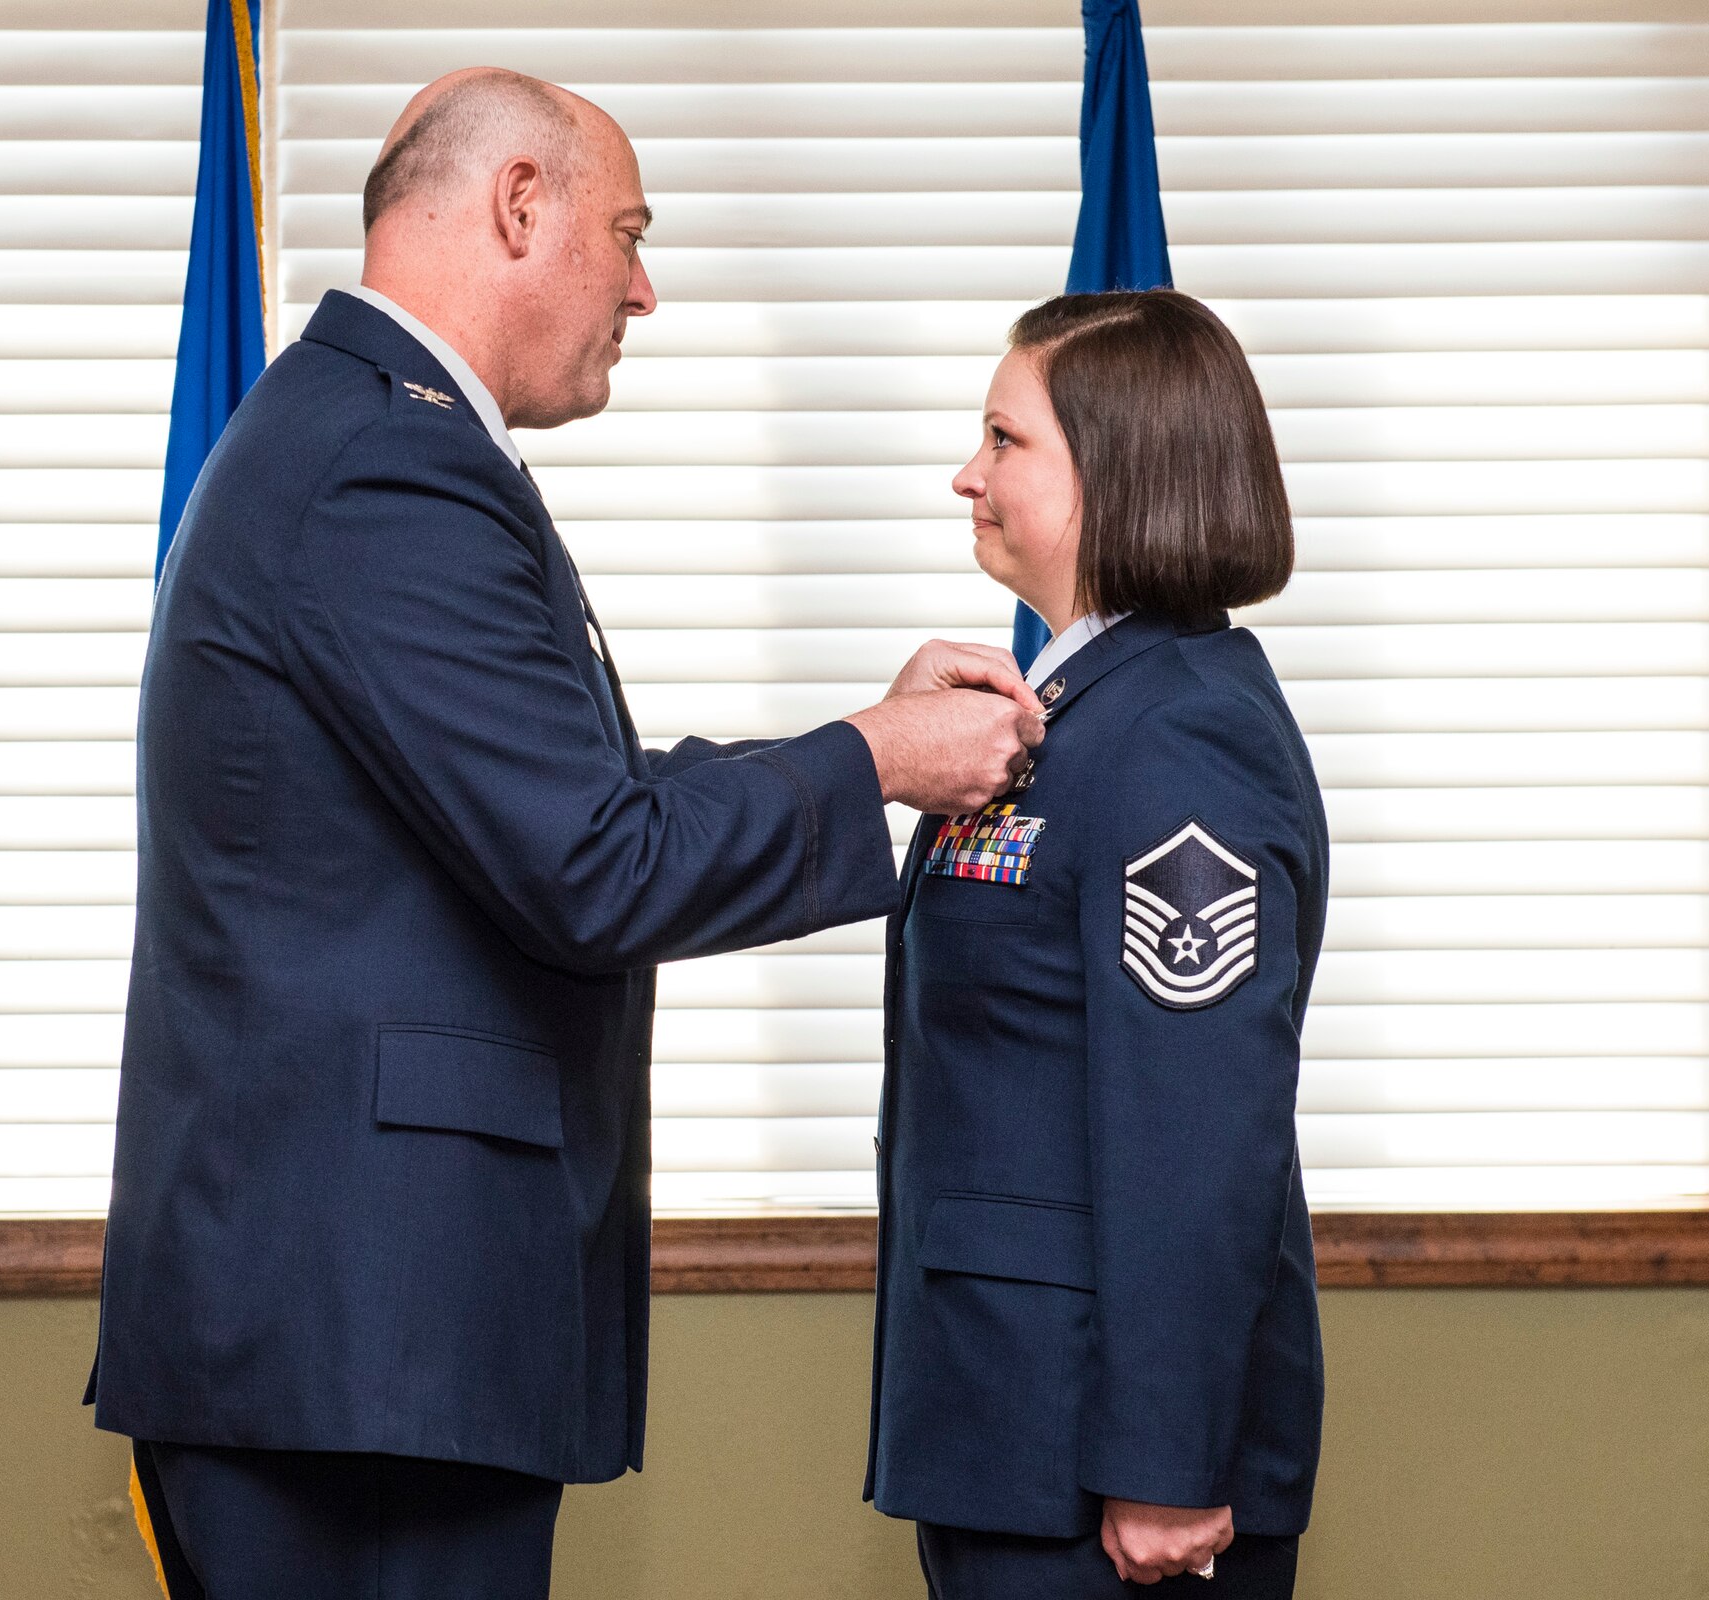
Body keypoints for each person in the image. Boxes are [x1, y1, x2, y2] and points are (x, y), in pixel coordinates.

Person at [88, 69, 1044, 1599]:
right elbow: (588, 860)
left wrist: (857, 743)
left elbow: (539, 799)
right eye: (629, 232)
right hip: (363, 1349)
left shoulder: (364, 436)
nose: (646, 291)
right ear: (521, 206)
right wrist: (873, 761)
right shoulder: (386, 465)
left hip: (358, 1344)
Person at [865, 290, 1328, 1599]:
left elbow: (1196, 1126)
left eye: (1006, 440)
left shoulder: (1179, 733)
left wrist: (1172, 1460)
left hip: (1103, 1466)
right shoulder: (1080, 706)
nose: (968, 471)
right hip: (1012, 1432)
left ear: (1114, 473)